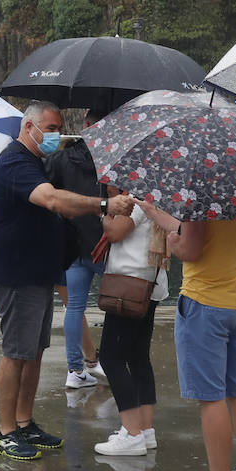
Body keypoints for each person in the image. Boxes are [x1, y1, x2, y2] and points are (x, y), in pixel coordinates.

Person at [0, 101, 133, 461]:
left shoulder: (34, 162)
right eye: (49, 128)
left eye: (57, 128)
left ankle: (24, 422)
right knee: (16, 353)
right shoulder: (15, 162)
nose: (55, 135)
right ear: (28, 127)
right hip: (17, 275)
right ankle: (5, 431)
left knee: (33, 352)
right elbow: (51, 199)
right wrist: (103, 205)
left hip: (38, 273)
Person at [138, 189, 236, 471]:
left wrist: (171, 239)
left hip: (206, 304)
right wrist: (157, 215)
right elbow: (195, 229)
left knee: (211, 397)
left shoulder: (201, 192)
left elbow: (189, 247)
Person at [92, 190, 167, 456]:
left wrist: (104, 211)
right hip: (150, 285)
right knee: (137, 358)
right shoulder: (159, 194)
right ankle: (145, 430)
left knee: (112, 359)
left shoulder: (137, 198)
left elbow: (115, 232)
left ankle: (132, 433)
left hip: (129, 286)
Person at [45, 118, 108, 389]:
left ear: (84, 123)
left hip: (72, 245)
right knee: (117, 307)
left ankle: (75, 370)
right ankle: (115, 364)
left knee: (74, 308)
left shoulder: (61, 159)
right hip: (106, 245)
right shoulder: (112, 158)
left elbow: (47, 195)